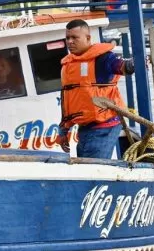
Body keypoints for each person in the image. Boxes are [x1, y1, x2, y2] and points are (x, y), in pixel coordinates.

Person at [57, 19, 135, 159]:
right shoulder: (69, 63)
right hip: (85, 128)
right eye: (67, 38)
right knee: (86, 167)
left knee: (91, 169)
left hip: (104, 127)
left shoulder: (102, 59)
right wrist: (63, 130)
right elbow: (67, 99)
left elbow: (119, 66)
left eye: (74, 37)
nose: (70, 41)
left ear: (87, 38)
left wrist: (131, 65)